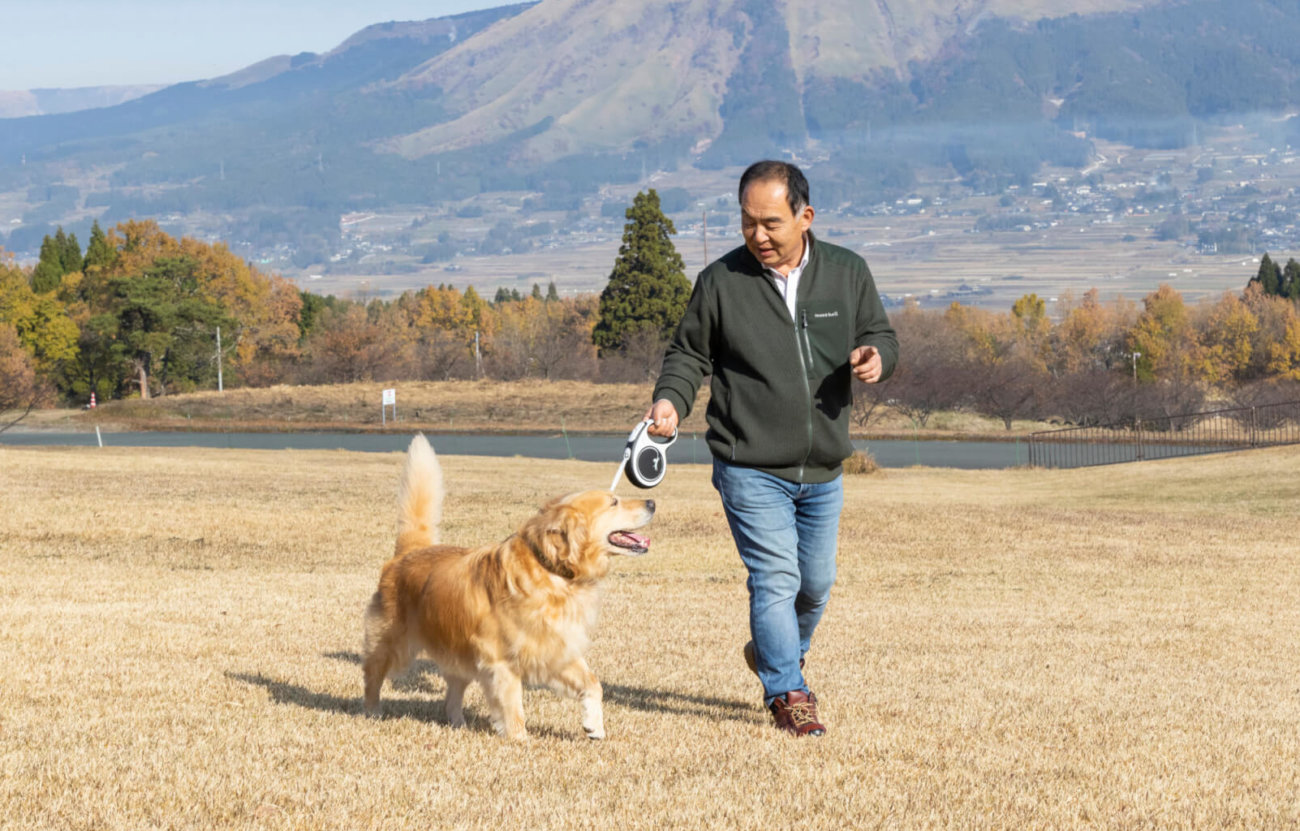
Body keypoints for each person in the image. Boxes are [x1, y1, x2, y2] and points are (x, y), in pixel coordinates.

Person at [645, 160, 898, 737]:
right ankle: (788, 692)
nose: (757, 235)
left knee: (815, 585)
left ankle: (773, 652)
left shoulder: (847, 272)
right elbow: (688, 355)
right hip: (748, 463)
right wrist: (670, 401)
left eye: (770, 223)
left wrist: (878, 357)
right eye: (747, 222)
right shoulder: (720, 282)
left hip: (824, 466)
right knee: (776, 579)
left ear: (805, 217)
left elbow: (880, 334)